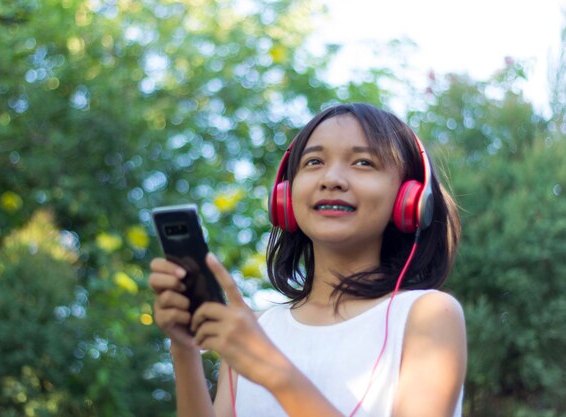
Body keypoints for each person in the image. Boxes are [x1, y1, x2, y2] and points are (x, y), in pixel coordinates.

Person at [149, 102, 466, 417]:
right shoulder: (255, 329)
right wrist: (184, 348)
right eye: (314, 161)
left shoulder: (427, 315)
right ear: (284, 196)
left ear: (408, 198)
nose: (332, 179)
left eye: (363, 163)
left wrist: (271, 368)